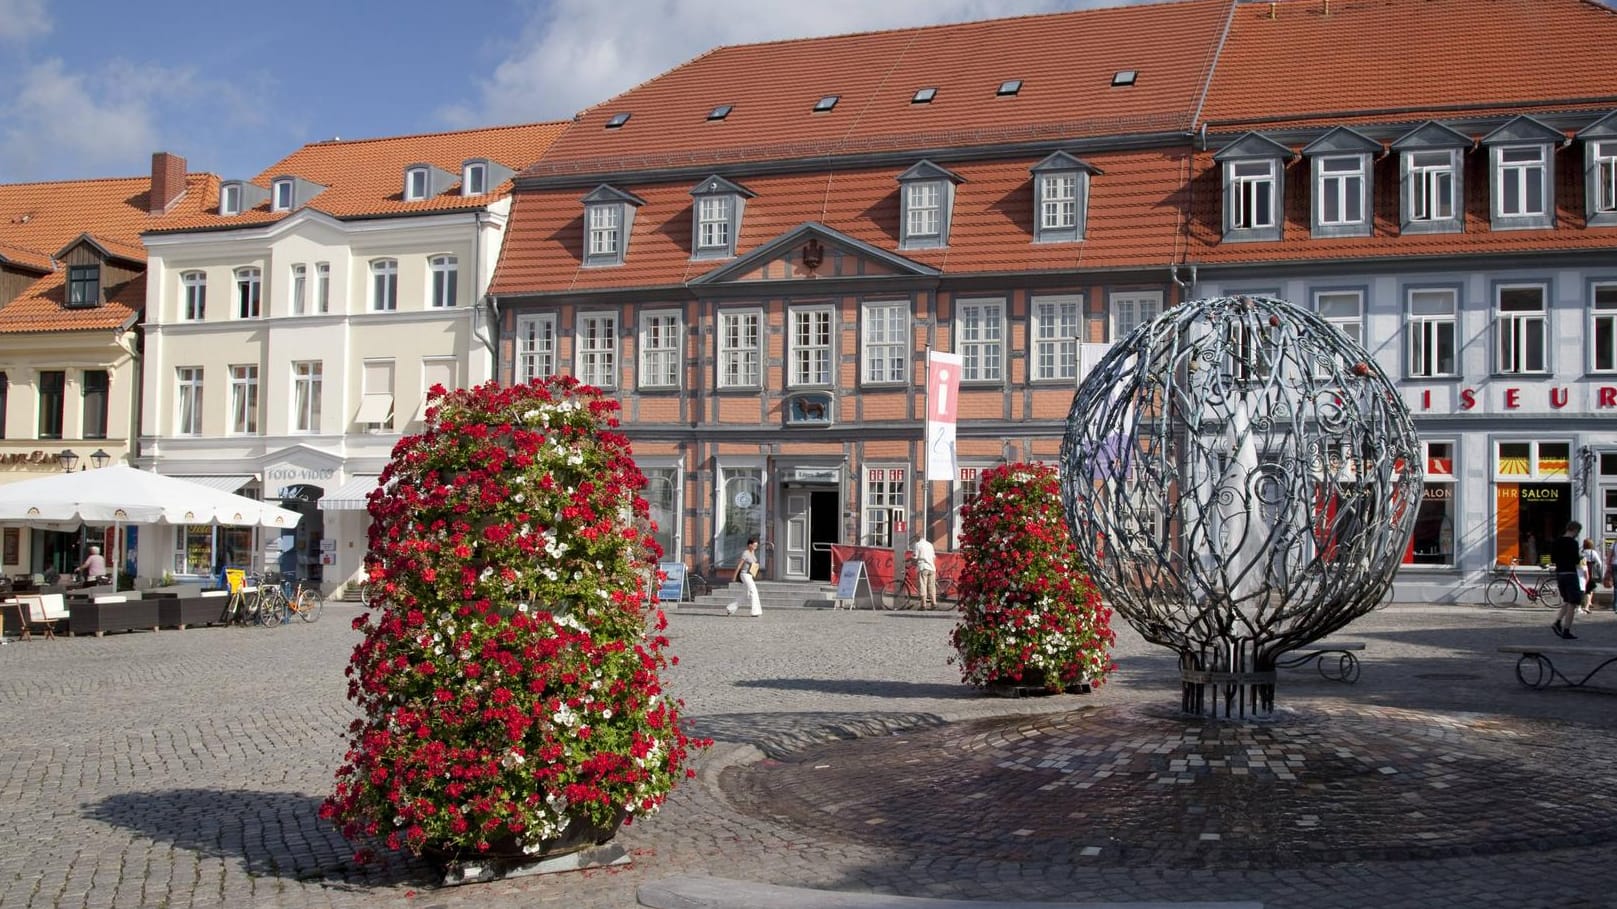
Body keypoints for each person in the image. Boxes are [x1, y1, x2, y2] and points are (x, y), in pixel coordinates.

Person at [1549, 521, 1582, 640]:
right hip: (1570, 574)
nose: (1577, 534)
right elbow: (1576, 560)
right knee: (1573, 603)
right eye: (1578, 531)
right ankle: (1566, 630)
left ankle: (1557, 622)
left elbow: (1553, 558)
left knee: (1567, 601)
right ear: (1575, 530)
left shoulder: (1556, 542)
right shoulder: (1573, 543)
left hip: (1560, 574)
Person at [725, 537, 762, 617]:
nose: (756, 547)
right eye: (754, 545)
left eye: (756, 546)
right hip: (744, 575)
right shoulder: (746, 553)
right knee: (753, 591)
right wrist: (734, 576)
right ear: (750, 545)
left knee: (746, 594)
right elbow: (739, 565)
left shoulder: (752, 553)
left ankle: (730, 608)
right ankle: (755, 612)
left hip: (749, 575)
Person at [910, 532, 937, 610]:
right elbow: (933, 557)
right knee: (932, 586)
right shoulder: (930, 544)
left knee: (923, 585)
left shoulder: (917, 544)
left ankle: (923, 605)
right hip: (932, 567)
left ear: (917, 538)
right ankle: (934, 603)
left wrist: (910, 560)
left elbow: (915, 557)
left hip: (923, 567)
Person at [1580, 538, 1603, 615]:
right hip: (1590, 571)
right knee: (1589, 590)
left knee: (1583, 588)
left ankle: (1582, 605)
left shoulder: (1581, 552)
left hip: (1582, 571)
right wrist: (1598, 569)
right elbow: (1599, 562)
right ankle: (1586, 607)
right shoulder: (1593, 552)